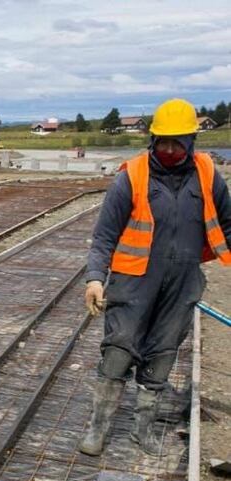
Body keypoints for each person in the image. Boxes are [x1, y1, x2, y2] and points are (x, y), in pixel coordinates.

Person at [79, 98, 231, 456]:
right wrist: (95, 278)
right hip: (134, 283)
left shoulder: (207, 174)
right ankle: (97, 429)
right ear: (152, 139)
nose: (168, 148)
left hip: (181, 284)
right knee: (118, 351)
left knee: (162, 356)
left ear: (191, 140)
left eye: (176, 141)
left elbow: (228, 223)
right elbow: (104, 236)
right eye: (162, 140)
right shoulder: (132, 175)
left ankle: (142, 432)